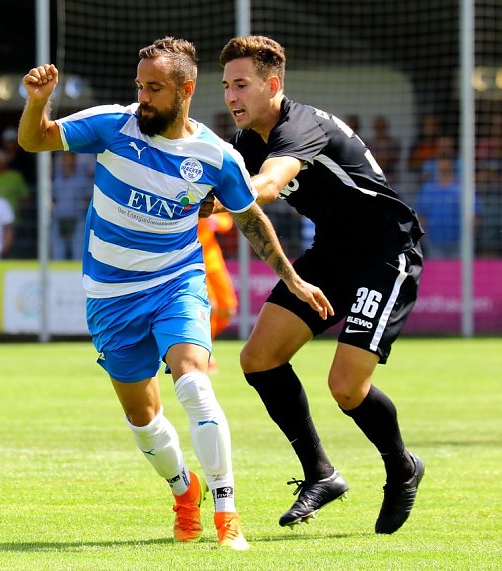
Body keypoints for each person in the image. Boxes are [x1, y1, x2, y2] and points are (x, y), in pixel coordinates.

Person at [18, 36, 332, 550]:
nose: (142, 97)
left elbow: (251, 218)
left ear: (185, 90)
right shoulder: (113, 125)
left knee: (194, 383)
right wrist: (38, 103)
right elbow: (35, 141)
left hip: (175, 283)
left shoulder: (216, 156)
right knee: (143, 420)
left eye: (155, 88)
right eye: (140, 86)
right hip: (110, 295)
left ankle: (227, 514)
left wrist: (292, 278)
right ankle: (184, 489)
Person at [220, 35, 425, 535]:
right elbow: (234, 197)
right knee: (259, 359)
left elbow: (268, 186)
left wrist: (220, 197)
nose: (231, 96)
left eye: (241, 85)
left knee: (346, 388)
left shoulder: (300, 126)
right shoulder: (247, 142)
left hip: (386, 253)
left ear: (272, 85)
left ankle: (402, 466)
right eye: (226, 86)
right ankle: (321, 474)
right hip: (333, 253)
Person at [197, 212, 238, 372]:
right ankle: (205, 354)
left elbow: (226, 222)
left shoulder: (211, 199)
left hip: (213, 260)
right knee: (209, 307)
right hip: (193, 261)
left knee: (228, 308)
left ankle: (198, 342)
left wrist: (215, 221)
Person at [50, 151, 92, 260]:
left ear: (75, 161)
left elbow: (89, 197)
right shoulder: (55, 179)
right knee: (58, 253)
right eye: (65, 159)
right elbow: (51, 197)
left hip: (77, 218)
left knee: (78, 252)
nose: (68, 162)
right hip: (59, 218)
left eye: (70, 159)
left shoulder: (83, 179)